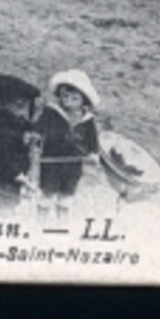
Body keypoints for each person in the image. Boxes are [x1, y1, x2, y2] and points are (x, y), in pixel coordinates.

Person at [36, 69, 102, 222]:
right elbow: (40, 127)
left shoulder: (87, 119)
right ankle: (41, 220)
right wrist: (37, 134)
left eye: (74, 98)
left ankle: (62, 217)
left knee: (68, 190)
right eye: (65, 96)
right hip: (52, 159)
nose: (68, 101)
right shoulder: (52, 113)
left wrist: (93, 152)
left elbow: (92, 138)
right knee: (48, 190)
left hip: (74, 161)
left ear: (83, 101)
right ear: (59, 95)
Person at [0, 74, 42, 216]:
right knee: (6, 211)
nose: (23, 112)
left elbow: (27, 127)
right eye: (20, 106)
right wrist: (22, 178)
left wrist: (32, 134)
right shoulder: (0, 129)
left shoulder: (12, 121)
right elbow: (2, 159)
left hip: (10, 180)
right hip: (1, 181)